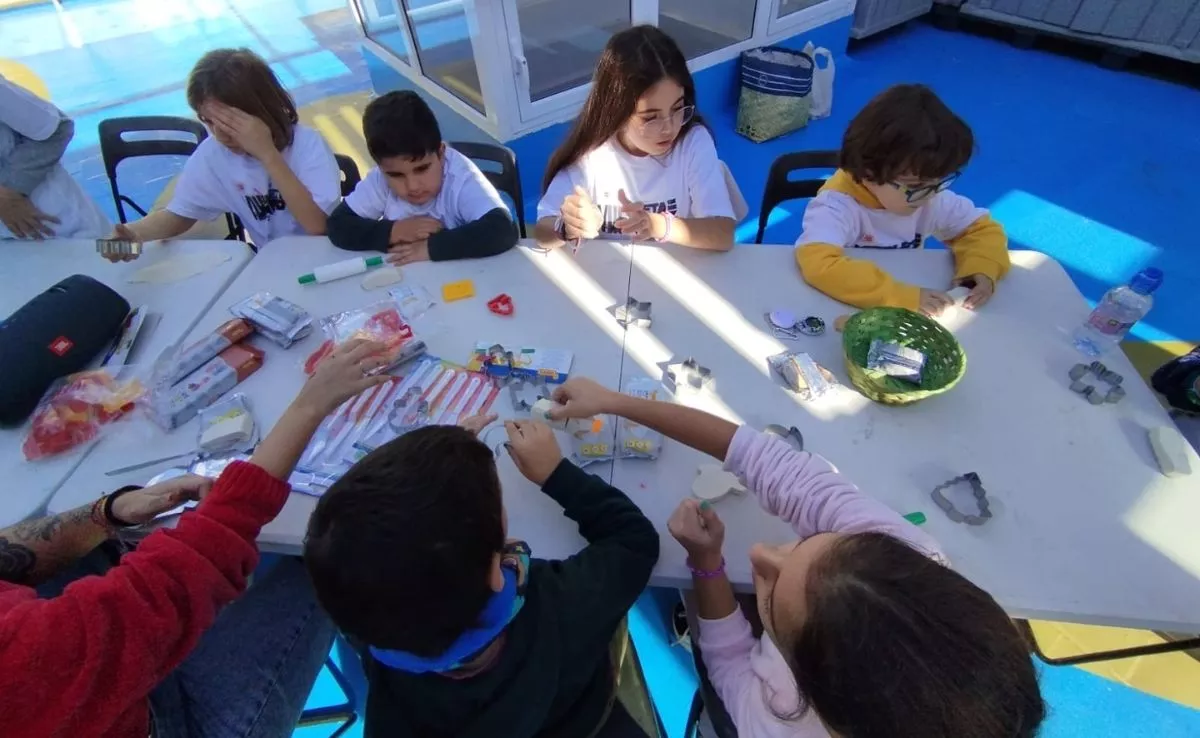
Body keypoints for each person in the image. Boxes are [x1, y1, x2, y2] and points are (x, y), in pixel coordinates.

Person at [548, 377, 1047, 738]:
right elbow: (765, 460)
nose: (762, 551)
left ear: (805, 685)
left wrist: (707, 568)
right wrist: (617, 402)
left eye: (768, 590)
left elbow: (727, 664)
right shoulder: (905, 557)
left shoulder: (776, 725)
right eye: (808, 542)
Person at [0, 340, 392, 738]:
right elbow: (174, 582)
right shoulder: (22, 663)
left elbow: (7, 557)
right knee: (332, 549)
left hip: (87, 685)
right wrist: (308, 408)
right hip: (177, 724)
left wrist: (108, 512)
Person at [303, 412, 660, 736]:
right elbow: (634, 541)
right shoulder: (561, 605)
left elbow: (390, 546)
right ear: (495, 571)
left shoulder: (369, 619)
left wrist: (440, 464)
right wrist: (556, 473)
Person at [795, 84, 1009, 316]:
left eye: (937, 182)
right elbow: (819, 265)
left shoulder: (929, 197)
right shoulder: (836, 206)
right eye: (916, 187)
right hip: (842, 308)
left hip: (901, 298)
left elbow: (980, 230)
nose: (929, 195)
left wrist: (982, 267)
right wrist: (901, 296)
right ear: (869, 173)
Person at [106, 48, 340, 258]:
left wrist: (267, 154)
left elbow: (317, 225)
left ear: (263, 109)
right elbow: (180, 214)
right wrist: (133, 235)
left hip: (322, 260)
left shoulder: (308, 145)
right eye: (209, 122)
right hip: (271, 265)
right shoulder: (214, 154)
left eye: (230, 124)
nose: (220, 134)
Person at [534, 25, 736, 252]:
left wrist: (658, 225)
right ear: (617, 113)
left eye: (678, 108)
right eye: (651, 118)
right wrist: (567, 228)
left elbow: (723, 233)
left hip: (677, 275)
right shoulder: (591, 155)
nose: (669, 128)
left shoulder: (692, 142)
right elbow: (542, 232)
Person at [326, 90, 517, 265]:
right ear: (381, 167)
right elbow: (338, 224)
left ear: (441, 153)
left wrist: (430, 248)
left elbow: (503, 229)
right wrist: (394, 231)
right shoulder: (379, 180)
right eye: (395, 175)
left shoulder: (460, 177)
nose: (412, 186)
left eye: (422, 169)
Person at [0, 73, 110, 240]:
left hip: (58, 227)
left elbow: (57, 127)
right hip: (10, 246)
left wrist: (10, 191)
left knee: (126, 254)